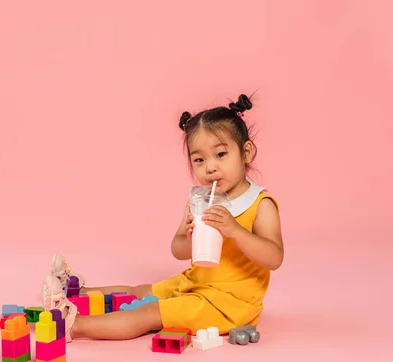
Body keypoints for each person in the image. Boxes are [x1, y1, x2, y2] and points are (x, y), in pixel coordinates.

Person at [41, 93, 284, 342]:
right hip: (196, 283)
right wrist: (190, 237)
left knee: (149, 313)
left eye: (220, 154)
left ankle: (74, 326)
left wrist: (235, 231)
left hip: (229, 303)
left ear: (246, 152)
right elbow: (178, 250)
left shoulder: (259, 204)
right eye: (199, 160)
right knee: (139, 291)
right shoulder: (199, 201)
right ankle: (73, 293)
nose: (210, 167)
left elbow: (274, 258)